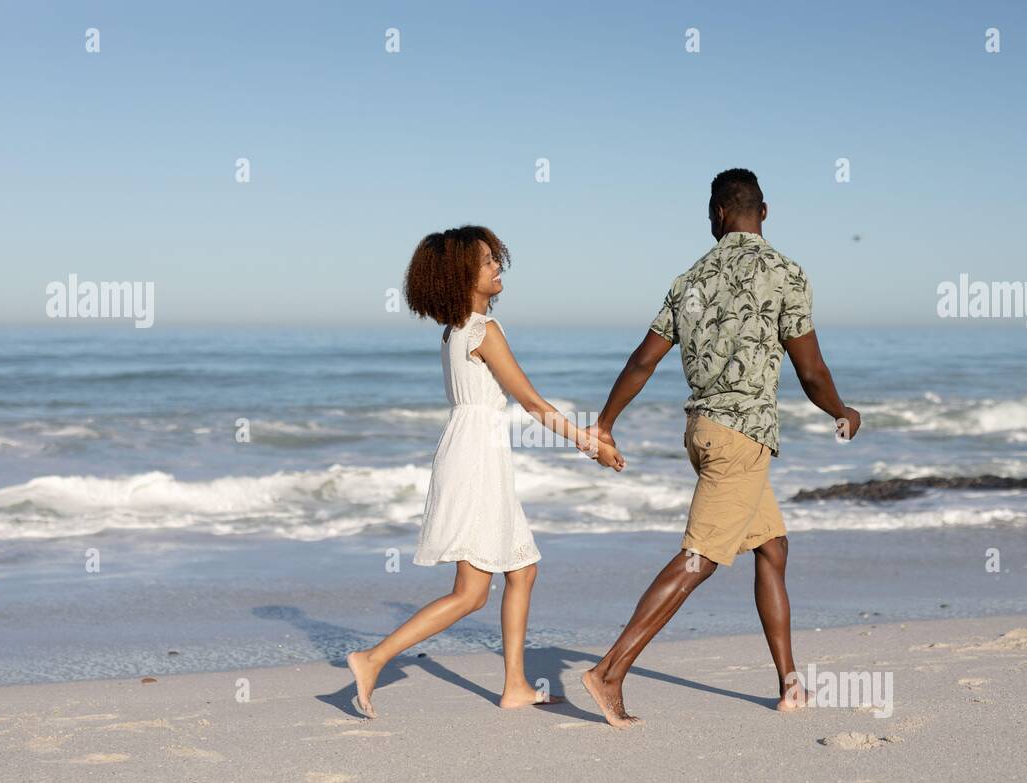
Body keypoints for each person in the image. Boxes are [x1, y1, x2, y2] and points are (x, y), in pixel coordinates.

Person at [579, 169, 860, 728]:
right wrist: (842, 411)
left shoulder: (689, 279)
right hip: (743, 441)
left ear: (716, 215)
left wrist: (606, 422)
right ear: (765, 211)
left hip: (705, 432)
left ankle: (789, 685)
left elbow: (642, 361)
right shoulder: (786, 273)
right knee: (698, 558)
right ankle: (609, 671)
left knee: (772, 548)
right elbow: (810, 369)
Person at [347, 225, 624, 717]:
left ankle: (515, 684)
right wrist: (590, 444)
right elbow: (533, 403)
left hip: (470, 450)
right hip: (476, 459)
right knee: (471, 593)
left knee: (523, 570)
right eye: (487, 261)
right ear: (461, 275)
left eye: (496, 258)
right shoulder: (483, 331)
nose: (498, 267)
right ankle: (372, 659)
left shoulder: (455, 331)